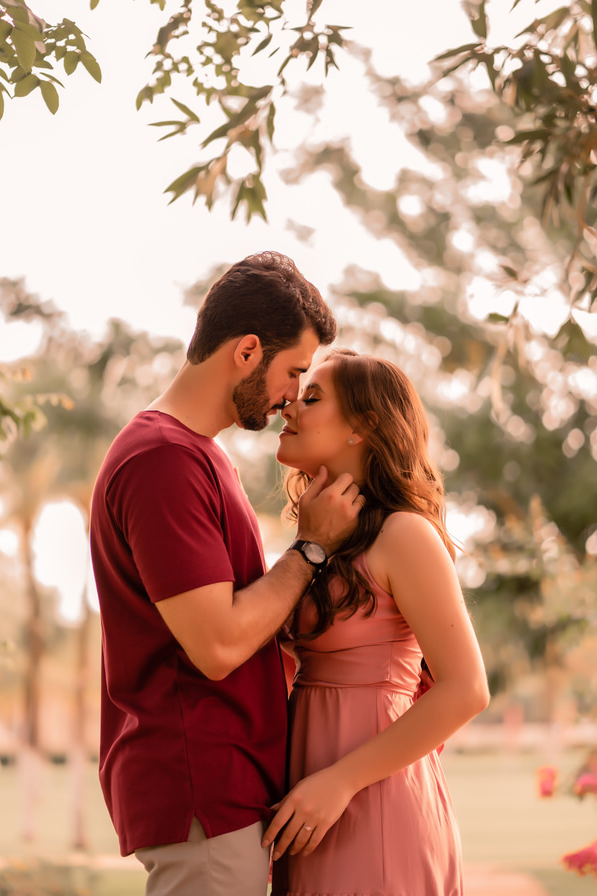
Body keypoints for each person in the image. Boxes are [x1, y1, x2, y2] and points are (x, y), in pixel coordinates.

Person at [89, 252, 365, 896]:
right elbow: (216, 646)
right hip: (202, 792)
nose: (293, 396)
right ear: (246, 352)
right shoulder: (162, 461)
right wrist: (311, 550)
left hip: (225, 792)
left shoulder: (198, 456)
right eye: (294, 370)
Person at [263, 349, 490, 896]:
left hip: (374, 802)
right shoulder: (322, 540)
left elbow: (466, 690)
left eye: (313, 397)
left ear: (363, 427)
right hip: (310, 807)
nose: (290, 405)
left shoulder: (404, 534)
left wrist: (340, 782)